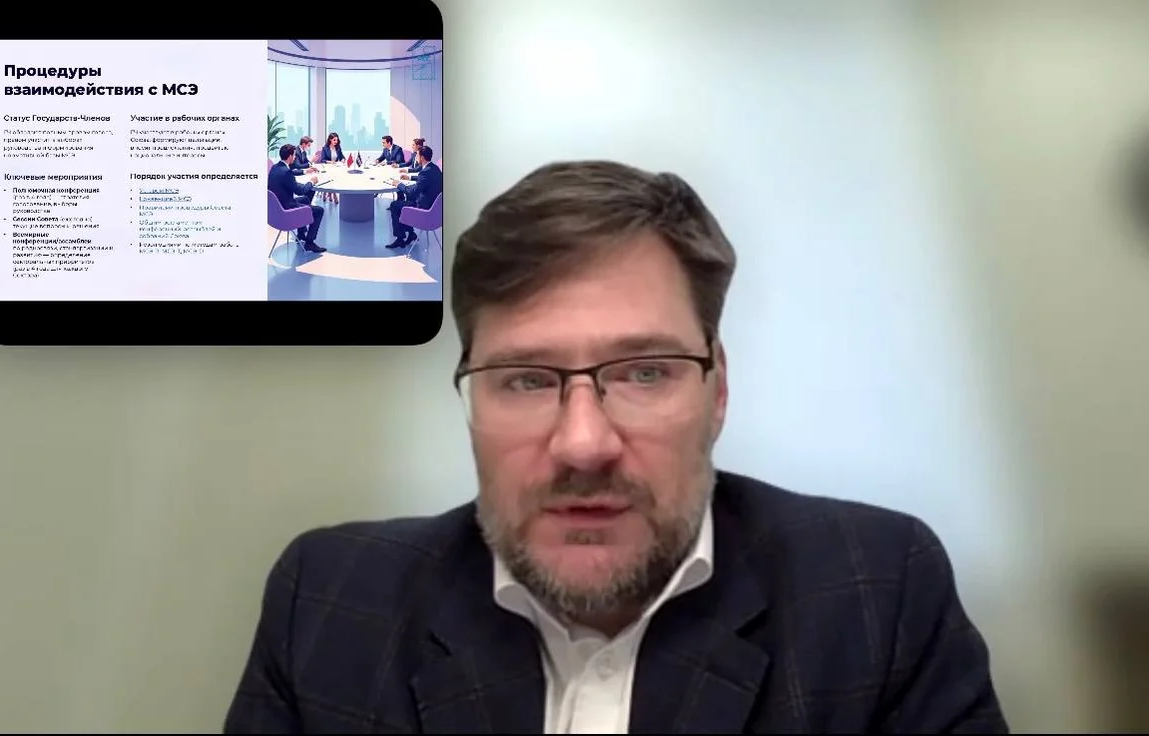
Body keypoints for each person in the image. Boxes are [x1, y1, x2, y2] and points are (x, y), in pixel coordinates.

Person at [224, 160, 1008, 734]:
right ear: (470, 402)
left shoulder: (874, 595)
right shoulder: (330, 605)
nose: (584, 444)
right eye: (526, 379)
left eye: (643, 373)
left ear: (717, 390)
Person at [266, 143, 324, 253]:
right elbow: (300, 190)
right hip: (286, 209)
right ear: (290, 157)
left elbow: (290, 173)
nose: (295, 157)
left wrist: (305, 171)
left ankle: (301, 234)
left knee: (305, 200)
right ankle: (310, 243)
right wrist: (311, 182)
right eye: (294, 155)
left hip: (277, 207)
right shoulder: (286, 172)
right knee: (319, 210)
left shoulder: (275, 167)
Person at [384, 145, 441, 249]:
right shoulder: (435, 168)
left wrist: (398, 184)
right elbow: (424, 179)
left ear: (422, 157)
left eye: (417, 155)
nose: (415, 157)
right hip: (435, 208)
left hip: (424, 209)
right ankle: (411, 234)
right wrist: (409, 177)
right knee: (407, 201)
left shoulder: (425, 172)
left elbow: (413, 192)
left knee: (394, 205)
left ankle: (400, 238)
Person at [317, 133, 345, 204]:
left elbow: (342, 157)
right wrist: (330, 162)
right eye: (334, 140)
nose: (336, 142)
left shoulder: (338, 148)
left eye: (337, 140)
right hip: (327, 168)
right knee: (330, 178)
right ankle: (334, 195)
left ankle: (329, 193)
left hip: (336, 168)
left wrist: (343, 159)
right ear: (330, 140)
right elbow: (322, 160)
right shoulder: (325, 148)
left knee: (335, 178)